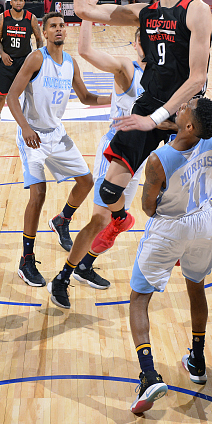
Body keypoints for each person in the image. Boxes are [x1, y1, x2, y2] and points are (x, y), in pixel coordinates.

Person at [50, 0, 212, 309]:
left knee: (184, 204)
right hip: (148, 107)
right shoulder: (144, 13)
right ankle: (84, 255)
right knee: (107, 199)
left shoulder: (196, 9)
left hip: (185, 113)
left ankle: (180, 257)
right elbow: (82, 9)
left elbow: (197, 78)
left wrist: (155, 121)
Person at [127, 97, 212, 415]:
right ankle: (197, 359)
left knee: (139, 299)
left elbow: (147, 206)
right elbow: (206, 131)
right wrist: (175, 126)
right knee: (196, 286)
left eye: (186, 108)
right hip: (205, 224)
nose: (182, 104)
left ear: (188, 125)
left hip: (170, 227)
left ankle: (149, 375)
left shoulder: (160, 159)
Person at [6, 13, 108, 289]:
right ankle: (26, 260)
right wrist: (25, 127)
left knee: (86, 181)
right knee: (38, 193)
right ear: (45, 33)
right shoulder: (37, 58)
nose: (59, 29)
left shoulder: (71, 63)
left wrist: (118, 97)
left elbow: (86, 97)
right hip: (33, 137)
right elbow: (11, 96)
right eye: (53, 26)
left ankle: (62, 219)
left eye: (62, 25)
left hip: (57, 135)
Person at [48, 19, 148, 300]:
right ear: (137, 43)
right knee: (99, 219)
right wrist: (88, 15)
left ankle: (85, 265)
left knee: (112, 225)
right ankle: (62, 278)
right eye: (144, 39)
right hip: (116, 152)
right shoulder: (128, 69)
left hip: (140, 157)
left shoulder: (163, 78)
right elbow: (86, 51)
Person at [0, 0, 43, 136]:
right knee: (2, 95)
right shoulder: (2, 18)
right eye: (16, 0)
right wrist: (2, 54)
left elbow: (39, 38)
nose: (18, 3)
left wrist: (38, 55)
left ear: (24, 2)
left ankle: (32, 122)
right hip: (7, 61)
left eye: (21, 0)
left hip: (25, 63)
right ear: (11, 2)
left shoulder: (31, 18)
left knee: (31, 94)